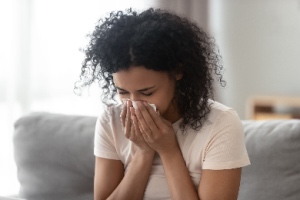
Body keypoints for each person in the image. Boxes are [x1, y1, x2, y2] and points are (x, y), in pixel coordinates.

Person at [76, 7, 250, 200]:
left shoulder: (220, 123)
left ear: (178, 72)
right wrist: (143, 153)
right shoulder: (111, 122)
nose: (134, 104)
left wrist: (169, 151)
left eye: (147, 92)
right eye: (123, 92)